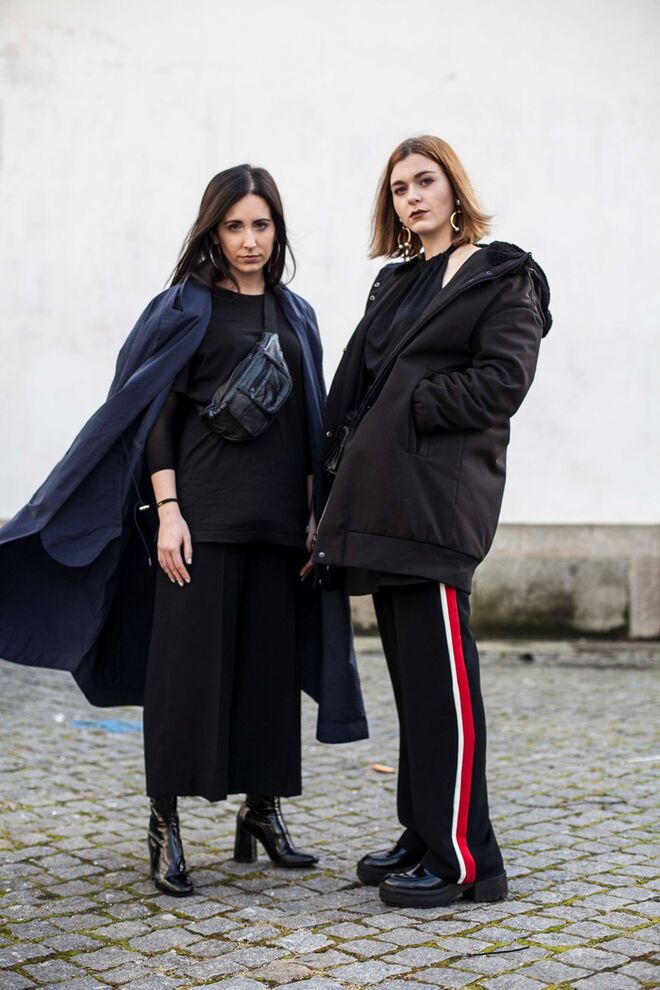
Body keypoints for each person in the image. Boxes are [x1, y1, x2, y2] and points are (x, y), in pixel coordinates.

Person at [0, 164, 367, 897]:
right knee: (183, 677)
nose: (249, 240)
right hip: (201, 520)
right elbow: (155, 419)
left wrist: (313, 517)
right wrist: (169, 513)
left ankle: (261, 812)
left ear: (278, 230)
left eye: (261, 225)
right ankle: (163, 823)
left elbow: (309, 423)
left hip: (278, 526)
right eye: (234, 226)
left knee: (267, 674)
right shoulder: (183, 307)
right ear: (213, 230)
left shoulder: (298, 314)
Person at [312, 136, 551, 908]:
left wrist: (411, 406)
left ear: (454, 187)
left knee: (446, 690)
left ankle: (464, 860)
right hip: (381, 501)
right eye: (399, 188)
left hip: (438, 505)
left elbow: (503, 381)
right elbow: (358, 388)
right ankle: (422, 832)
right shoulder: (395, 284)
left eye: (425, 180)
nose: (412, 197)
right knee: (416, 687)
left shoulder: (502, 276)